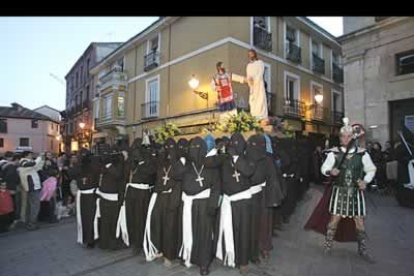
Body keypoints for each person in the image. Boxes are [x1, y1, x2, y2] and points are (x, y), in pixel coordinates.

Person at [321, 118, 377, 263]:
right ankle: (327, 246)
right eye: (342, 136)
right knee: (334, 220)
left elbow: (371, 169)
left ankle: (362, 249)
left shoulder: (362, 153)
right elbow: (324, 168)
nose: (344, 138)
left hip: (355, 193)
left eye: (347, 136)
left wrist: (365, 181)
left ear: (352, 137)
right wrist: (329, 171)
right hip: (339, 191)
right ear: (340, 137)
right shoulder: (333, 153)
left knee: (359, 221)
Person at [205, 132, 255, 274]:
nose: (234, 146)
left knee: (243, 232)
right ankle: (225, 254)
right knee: (226, 228)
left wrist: (235, 157)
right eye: (232, 143)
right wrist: (216, 148)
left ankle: (243, 261)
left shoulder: (247, 158)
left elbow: (248, 171)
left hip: (242, 202)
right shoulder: (224, 158)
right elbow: (207, 162)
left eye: (237, 143)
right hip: (227, 200)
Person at [174, 137, 220, 275]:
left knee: (204, 234)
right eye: (192, 148)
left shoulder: (211, 164)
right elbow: (175, 175)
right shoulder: (187, 164)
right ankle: (189, 255)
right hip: (188, 203)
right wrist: (181, 160)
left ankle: (204, 263)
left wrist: (213, 205)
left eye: (198, 148)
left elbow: (216, 186)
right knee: (188, 230)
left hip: (204, 204)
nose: (195, 151)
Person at [246, 134, 285, 263]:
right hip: (248, 195)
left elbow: (273, 178)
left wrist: (272, 198)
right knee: (250, 223)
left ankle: (264, 247)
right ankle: (251, 248)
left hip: (263, 196)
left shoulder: (267, 159)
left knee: (264, 223)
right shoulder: (246, 156)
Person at [143, 138, 182, 267]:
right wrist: (150, 154)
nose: (168, 151)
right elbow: (150, 172)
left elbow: (179, 180)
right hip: (159, 197)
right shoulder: (160, 163)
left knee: (169, 228)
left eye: (171, 148)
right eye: (166, 148)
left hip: (172, 198)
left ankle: (169, 255)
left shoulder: (178, 163)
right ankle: (158, 249)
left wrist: (174, 201)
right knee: (157, 224)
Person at [118, 138, 157, 253]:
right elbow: (125, 174)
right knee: (130, 216)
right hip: (130, 190)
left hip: (142, 192)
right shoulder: (131, 159)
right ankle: (131, 239)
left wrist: (140, 161)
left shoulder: (148, 158)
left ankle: (139, 242)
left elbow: (150, 173)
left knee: (140, 218)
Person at [94, 150, 127, 250]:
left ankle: (108, 244)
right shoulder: (109, 167)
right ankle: (107, 244)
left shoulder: (112, 166)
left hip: (109, 198)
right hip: (108, 198)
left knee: (109, 222)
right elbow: (116, 175)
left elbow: (117, 175)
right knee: (108, 222)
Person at [76, 151, 100, 248]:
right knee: (91, 218)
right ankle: (92, 239)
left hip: (83, 196)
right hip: (91, 196)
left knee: (85, 218)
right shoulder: (94, 169)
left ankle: (86, 238)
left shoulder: (79, 169)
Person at [17, 151, 45, 230]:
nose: (32, 156)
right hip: (32, 187)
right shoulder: (23, 162)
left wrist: (42, 159)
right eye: (30, 155)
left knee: (33, 206)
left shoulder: (29, 163)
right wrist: (39, 157)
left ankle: (31, 223)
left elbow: (38, 167)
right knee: (35, 206)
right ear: (26, 155)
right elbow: (33, 164)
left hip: (35, 187)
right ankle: (31, 224)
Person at [244, 49, 268, 125]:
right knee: (252, 101)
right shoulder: (248, 65)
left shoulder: (260, 63)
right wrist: (250, 81)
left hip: (259, 85)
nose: (250, 55)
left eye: (251, 53)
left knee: (260, 100)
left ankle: (261, 116)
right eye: (249, 54)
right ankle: (254, 116)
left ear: (254, 54)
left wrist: (255, 80)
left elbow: (260, 73)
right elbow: (248, 75)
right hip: (252, 86)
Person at [0, 152, 21, 228]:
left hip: (4, 188)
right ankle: (9, 223)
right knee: (10, 205)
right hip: (9, 189)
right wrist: (12, 188)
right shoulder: (11, 166)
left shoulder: (3, 164)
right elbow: (11, 177)